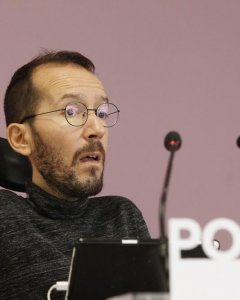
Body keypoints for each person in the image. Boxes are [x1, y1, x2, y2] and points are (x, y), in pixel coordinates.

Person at [0, 50, 150, 300]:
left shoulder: (121, 216)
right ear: (21, 138)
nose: (97, 129)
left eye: (101, 113)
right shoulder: (5, 215)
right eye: (72, 111)